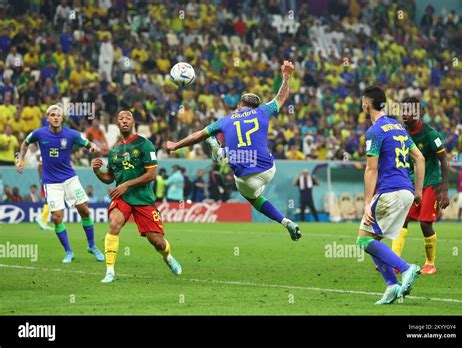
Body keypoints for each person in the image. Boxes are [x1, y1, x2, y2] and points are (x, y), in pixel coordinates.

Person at [165, 61, 301, 241]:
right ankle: (220, 152)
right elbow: (282, 97)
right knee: (240, 150)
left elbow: (197, 135)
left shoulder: (225, 120)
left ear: (239, 106)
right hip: (268, 168)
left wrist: (176, 145)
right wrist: (286, 75)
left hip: (246, 178)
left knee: (251, 194)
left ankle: (285, 222)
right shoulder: (263, 111)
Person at [92, 109, 182, 283]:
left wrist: (126, 184)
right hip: (123, 197)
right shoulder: (114, 150)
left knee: (157, 241)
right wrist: (97, 171)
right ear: (117, 124)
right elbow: (110, 178)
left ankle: (168, 257)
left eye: (128, 118)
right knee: (114, 224)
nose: (124, 120)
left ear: (133, 122)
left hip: (142, 198)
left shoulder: (145, 144)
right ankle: (110, 271)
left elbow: (151, 175)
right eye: (121, 118)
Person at [356, 86, 425, 304]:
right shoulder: (398, 127)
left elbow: (371, 169)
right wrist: (418, 191)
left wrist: (367, 203)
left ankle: (406, 269)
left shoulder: (375, 132)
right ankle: (391, 286)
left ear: (366, 104)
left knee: (363, 240)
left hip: (389, 192)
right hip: (405, 191)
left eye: (362, 101)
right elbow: (419, 158)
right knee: (373, 239)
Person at [16, 104, 104, 263]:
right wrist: (21, 160)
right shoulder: (39, 133)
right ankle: (68, 251)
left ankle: (92, 245)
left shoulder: (71, 134)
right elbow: (25, 143)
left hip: (70, 179)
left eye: (58, 115)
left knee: (85, 211)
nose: (56, 117)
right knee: (57, 218)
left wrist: (93, 147)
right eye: (52, 115)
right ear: (47, 118)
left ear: (62, 118)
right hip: (51, 182)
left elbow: (87, 142)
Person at [391, 97, 450, 275]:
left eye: (410, 111)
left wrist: (445, 191)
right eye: (404, 111)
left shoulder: (431, 134)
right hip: (411, 183)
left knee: (425, 223)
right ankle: (394, 263)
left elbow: (445, 161)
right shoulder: (402, 133)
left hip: (431, 183)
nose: (405, 114)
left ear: (419, 113)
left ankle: (430, 263)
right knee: (402, 220)